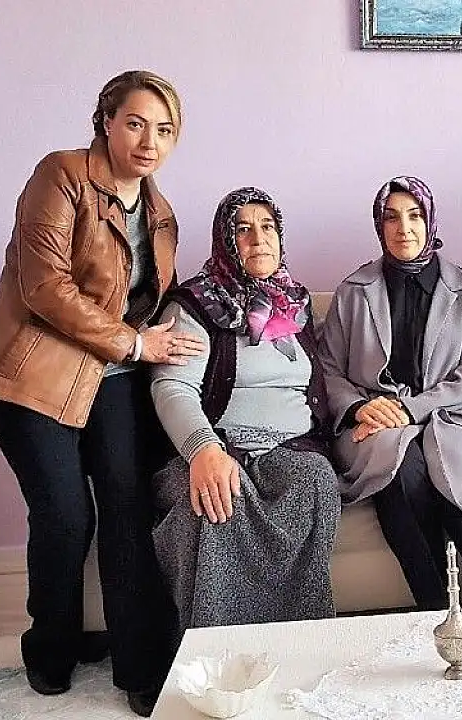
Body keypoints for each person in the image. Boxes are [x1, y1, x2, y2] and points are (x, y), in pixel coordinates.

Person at [0, 70, 199, 715]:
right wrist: (134, 344)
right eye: (136, 124)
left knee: (130, 508)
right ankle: (51, 648)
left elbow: (152, 300)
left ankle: (140, 663)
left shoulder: (160, 213)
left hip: (113, 378)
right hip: (34, 378)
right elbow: (43, 287)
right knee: (67, 516)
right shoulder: (61, 175)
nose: (149, 142)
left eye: (165, 130)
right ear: (105, 122)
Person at [319, 176, 462, 611]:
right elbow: (328, 368)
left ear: (430, 221)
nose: (404, 228)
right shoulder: (353, 291)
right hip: (376, 421)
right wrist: (360, 408)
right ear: (379, 225)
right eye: (391, 217)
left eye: (414, 216)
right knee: (401, 469)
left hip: (452, 414)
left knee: (459, 474)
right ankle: (436, 612)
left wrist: (411, 409)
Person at [150, 187, 340, 629]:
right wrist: (203, 450)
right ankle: (216, 647)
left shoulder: (295, 304)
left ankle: (298, 639)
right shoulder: (195, 305)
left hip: (292, 449)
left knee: (316, 480)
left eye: (268, 227)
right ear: (225, 239)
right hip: (217, 446)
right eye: (243, 229)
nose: (259, 239)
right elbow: (173, 387)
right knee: (213, 501)